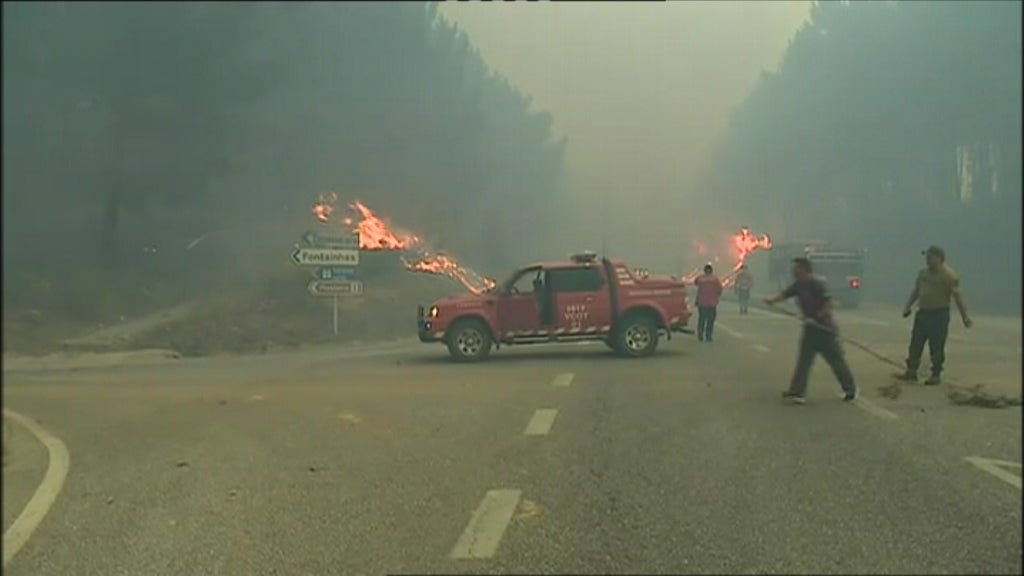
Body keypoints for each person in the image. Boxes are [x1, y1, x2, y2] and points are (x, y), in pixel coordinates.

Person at [763, 257, 857, 404]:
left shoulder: (816, 284)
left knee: (836, 361)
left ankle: (850, 389)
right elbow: (784, 295)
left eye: (796, 268)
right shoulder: (798, 285)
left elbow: (829, 304)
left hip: (824, 330)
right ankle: (797, 392)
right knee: (803, 362)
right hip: (810, 331)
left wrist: (817, 317)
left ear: (804, 269)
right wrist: (770, 301)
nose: (793, 271)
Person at [896, 245, 972, 385]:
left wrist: (965, 316)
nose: (927, 260)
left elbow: (957, 296)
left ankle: (936, 374)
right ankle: (911, 370)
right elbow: (916, 291)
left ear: (939, 258)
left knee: (936, 345)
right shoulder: (923, 273)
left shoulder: (949, 275)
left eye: (930, 257)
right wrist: (907, 307)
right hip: (923, 313)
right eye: (926, 257)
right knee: (915, 343)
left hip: (939, 314)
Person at [694, 264, 723, 342]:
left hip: (702, 302)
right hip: (712, 303)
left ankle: (700, 335)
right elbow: (720, 290)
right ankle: (708, 336)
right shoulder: (715, 280)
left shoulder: (701, 279)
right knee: (710, 320)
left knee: (702, 319)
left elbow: (695, 282)